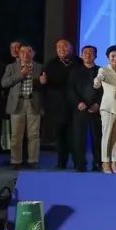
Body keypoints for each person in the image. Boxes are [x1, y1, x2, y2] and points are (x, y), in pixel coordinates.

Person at [2, 43, 46, 170]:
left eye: (29, 52)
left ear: (33, 54)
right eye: (23, 52)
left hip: (33, 102)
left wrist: (43, 83)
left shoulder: (40, 67)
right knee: (16, 135)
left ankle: (33, 161)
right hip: (17, 103)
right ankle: (16, 161)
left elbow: (44, 87)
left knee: (34, 135)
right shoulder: (11, 67)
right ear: (19, 54)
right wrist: (21, 74)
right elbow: (4, 83)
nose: (26, 54)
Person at [68, 45, 103, 172]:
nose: (88, 55)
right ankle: (80, 163)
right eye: (85, 53)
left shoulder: (101, 71)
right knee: (79, 137)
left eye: (91, 53)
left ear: (96, 56)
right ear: (81, 55)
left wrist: (98, 103)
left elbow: (104, 91)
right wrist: (78, 103)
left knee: (97, 137)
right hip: (80, 108)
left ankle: (98, 163)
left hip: (96, 109)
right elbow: (71, 89)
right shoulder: (75, 71)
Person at [45, 38, 76, 169]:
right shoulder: (51, 64)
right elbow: (48, 83)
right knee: (59, 135)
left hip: (75, 105)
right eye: (59, 48)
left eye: (65, 47)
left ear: (71, 48)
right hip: (57, 105)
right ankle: (61, 162)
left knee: (75, 136)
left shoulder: (79, 62)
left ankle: (78, 162)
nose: (62, 49)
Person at [93, 45, 116, 173]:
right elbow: (97, 81)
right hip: (107, 107)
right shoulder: (103, 70)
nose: (115, 58)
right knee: (107, 135)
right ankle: (105, 163)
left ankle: (114, 163)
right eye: (113, 56)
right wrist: (97, 81)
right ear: (108, 57)